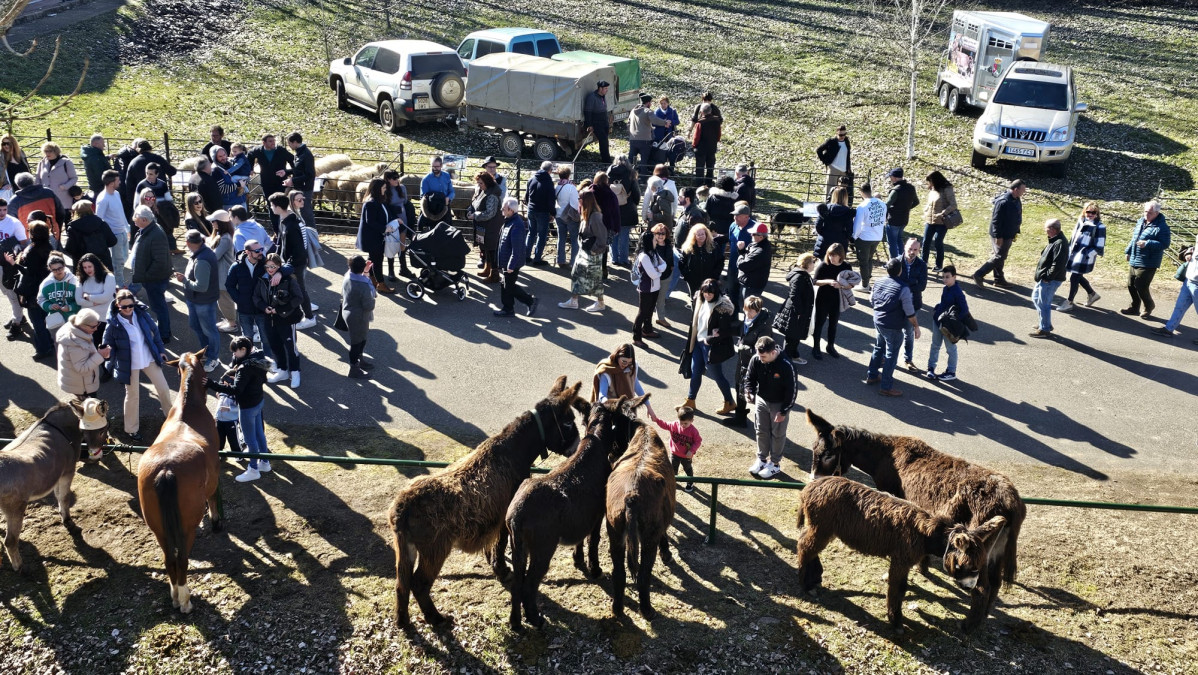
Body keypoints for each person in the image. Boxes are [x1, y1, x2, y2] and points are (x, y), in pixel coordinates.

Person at [102, 289, 171, 441]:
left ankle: (172, 419)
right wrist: (107, 354)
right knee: (132, 396)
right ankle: (131, 429)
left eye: (130, 306)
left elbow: (155, 333)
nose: (128, 309)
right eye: (124, 307)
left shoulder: (142, 315)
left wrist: (160, 351)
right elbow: (108, 345)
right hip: (129, 364)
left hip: (148, 358)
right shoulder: (113, 324)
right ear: (117, 306)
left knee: (164, 389)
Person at [204, 334, 272, 482]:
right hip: (258, 401)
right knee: (259, 434)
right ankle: (265, 462)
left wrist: (212, 384)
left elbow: (236, 390)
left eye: (235, 351)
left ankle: (253, 469)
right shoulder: (259, 358)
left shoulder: (244, 368)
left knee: (249, 439)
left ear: (243, 349)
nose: (233, 354)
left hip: (247, 407)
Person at [681, 278, 737, 414]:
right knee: (695, 372)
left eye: (710, 293)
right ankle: (690, 400)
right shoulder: (700, 300)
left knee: (717, 376)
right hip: (698, 343)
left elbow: (727, 331)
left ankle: (729, 402)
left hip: (711, 346)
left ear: (716, 293)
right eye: (705, 292)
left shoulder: (722, 308)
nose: (707, 295)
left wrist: (710, 339)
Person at [867, 258, 920, 397]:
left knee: (878, 347)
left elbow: (871, 300)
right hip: (893, 326)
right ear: (900, 271)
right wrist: (916, 326)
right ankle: (886, 386)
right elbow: (909, 311)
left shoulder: (878, 282)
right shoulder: (903, 288)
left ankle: (872, 375)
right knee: (891, 355)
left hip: (878, 321)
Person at [744, 336, 795, 479]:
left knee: (778, 434)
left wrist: (784, 410)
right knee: (761, 430)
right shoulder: (756, 359)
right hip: (762, 400)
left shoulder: (786, 365)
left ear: (773, 352)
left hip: (779, 404)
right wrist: (749, 391)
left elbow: (792, 390)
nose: (760, 359)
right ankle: (761, 459)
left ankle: (775, 464)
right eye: (759, 355)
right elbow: (750, 378)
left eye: (763, 356)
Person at [175, 230, 223, 371]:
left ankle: (213, 358)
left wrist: (184, 280)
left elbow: (201, 287)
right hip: (196, 300)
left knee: (209, 330)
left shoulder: (202, 259)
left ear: (188, 243)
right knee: (196, 326)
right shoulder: (200, 253)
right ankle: (206, 353)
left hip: (203, 301)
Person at [255, 252, 304, 388]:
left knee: (290, 347)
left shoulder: (288, 280)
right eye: (268, 266)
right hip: (269, 319)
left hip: (286, 319)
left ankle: (295, 372)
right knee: (275, 345)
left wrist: (281, 310)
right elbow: (256, 297)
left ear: (279, 266)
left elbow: (298, 298)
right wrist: (264, 307)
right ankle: (282, 370)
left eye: (273, 266)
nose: (270, 269)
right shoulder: (262, 279)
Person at [724, 294, 773, 429]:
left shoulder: (764, 328)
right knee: (740, 387)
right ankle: (740, 418)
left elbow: (763, 351)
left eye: (751, 311)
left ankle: (763, 424)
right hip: (743, 361)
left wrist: (742, 348)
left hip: (755, 365)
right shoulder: (748, 319)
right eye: (745, 310)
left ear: (758, 311)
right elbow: (740, 331)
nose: (747, 313)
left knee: (752, 393)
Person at [269, 192, 315, 329]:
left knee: (300, 291)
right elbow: (282, 245)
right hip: (291, 263)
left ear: (278, 207)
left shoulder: (291, 226)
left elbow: (298, 252)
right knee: (298, 290)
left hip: (295, 264)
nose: (271, 207)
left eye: (272, 205)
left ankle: (310, 317)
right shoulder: (286, 221)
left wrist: (283, 269)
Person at [8, 222, 54, 356]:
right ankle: (49, 343)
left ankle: (43, 349)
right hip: (47, 287)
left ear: (33, 234)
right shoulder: (49, 246)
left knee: (37, 321)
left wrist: (14, 263)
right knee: (44, 318)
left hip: (33, 290)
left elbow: (29, 272)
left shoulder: (32, 250)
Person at [129, 204, 174, 341]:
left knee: (159, 308)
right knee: (158, 307)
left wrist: (146, 276)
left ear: (143, 219)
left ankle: (164, 335)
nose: (133, 220)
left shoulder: (155, 233)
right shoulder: (149, 230)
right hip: (152, 279)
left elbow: (159, 261)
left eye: (135, 217)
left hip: (154, 280)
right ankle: (163, 332)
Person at [559, 190, 609, 312]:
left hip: (592, 253)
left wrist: (594, 251)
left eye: (579, 199)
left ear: (585, 201)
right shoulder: (586, 213)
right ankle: (574, 300)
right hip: (585, 251)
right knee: (576, 273)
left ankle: (600, 303)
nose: (578, 201)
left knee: (594, 279)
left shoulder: (596, 216)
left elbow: (602, 237)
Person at [226, 239, 274, 361]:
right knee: (247, 340)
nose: (261, 252)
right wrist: (239, 300)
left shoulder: (265, 264)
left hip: (261, 309)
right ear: (248, 252)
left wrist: (279, 274)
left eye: (261, 249)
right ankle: (247, 362)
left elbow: (283, 269)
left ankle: (268, 362)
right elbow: (229, 285)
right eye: (257, 250)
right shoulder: (236, 267)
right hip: (244, 310)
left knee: (266, 338)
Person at [972, 179, 1026, 288]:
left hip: (1008, 234)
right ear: (1016, 189)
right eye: (1023, 190)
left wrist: (1015, 232)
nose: (1024, 192)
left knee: (999, 257)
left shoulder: (1016, 199)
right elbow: (996, 220)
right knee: (999, 256)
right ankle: (979, 274)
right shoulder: (1003, 202)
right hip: (1002, 235)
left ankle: (999, 279)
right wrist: (998, 236)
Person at [1121, 200, 1170, 319]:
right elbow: (1134, 239)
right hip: (1135, 257)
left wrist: (1147, 243)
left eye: (1150, 213)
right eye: (1145, 212)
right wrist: (1128, 251)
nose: (1146, 215)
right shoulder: (1140, 222)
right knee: (1131, 284)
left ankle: (1149, 306)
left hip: (1149, 261)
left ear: (1157, 213)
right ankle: (1134, 307)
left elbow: (1165, 244)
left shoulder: (1162, 227)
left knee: (1140, 285)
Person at [494, 197, 538, 318]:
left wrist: (511, 265)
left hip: (511, 262)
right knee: (506, 284)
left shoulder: (516, 225)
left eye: (504, 207)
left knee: (509, 286)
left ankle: (525, 303)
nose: (502, 209)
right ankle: (509, 308)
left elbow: (517, 248)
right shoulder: (509, 221)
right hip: (507, 261)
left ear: (510, 210)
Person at [926, 265, 968, 382]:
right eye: (943, 277)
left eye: (947, 277)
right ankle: (931, 368)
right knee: (935, 345)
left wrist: (954, 322)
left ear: (954, 277)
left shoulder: (958, 292)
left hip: (948, 326)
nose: (945, 279)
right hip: (938, 321)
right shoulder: (946, 288)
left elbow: (964, 310)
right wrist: (938, 307)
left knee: (951, 348)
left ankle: (951, 371)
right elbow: (944, 302)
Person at [1060, 202, 1105, 312]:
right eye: (1088, 211)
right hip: (1073, 255)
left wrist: (1086, 254)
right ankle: (1092, 294)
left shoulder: (1100, 227)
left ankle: (1069, 301)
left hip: (1083, 258)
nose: (1090, 214)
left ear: (1097, 213)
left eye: (1093, 212)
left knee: (1074, 277)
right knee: (1077, 276)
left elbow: (1099, 247)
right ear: (1084, 211)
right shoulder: (1080, 222)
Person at [56, 308, 109, 400]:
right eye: (93, 327)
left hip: (80, 382)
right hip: (82, 387)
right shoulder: (75, 344)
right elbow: (82, 368)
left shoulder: (76, 330)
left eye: (98, 324)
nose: (96, 329)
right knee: (91, 412)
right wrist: (100, 355)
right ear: (82, 325)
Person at [247, 134, 294, 235]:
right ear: (264, 143)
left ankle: (284, 229)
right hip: (266, 182)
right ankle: (277, 231)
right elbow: (250, 155)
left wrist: (287, 171)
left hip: (280, 182)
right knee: (271, 205)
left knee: (281, 204)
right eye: (270, 141)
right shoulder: (258, 151)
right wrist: (250, 168)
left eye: (274, 141)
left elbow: (294, 161)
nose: (273, 143)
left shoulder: (280, 150)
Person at [774, 252, 816, 365]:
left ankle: (793, 356)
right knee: (792, 337)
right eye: (813, 262)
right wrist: (799, 312)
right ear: (806, 264)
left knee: (794, 336)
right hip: (796, 312)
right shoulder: (800, 276)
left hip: (797, 311)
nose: (814, 264)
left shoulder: (802, 274)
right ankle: (786, 362)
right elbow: (794, 295)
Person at [1029, 219, 1069, 338]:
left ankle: (1045, 329)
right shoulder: (1056, 240)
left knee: (1044, 303)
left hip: (1050, 280)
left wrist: (1048, 277)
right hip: (1046, 278)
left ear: (1052, 229)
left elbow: (1058, 264)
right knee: (1036, 298)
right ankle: (1045, 323)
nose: (1045, 230)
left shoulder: (1060, 243)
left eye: (1046, 228)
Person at [811, 243, 851, 359]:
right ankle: (816, 347)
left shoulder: (846, 266)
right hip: (823, 298)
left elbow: (851, 283)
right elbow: (814, 281)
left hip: (837, 299)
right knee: (819, 324)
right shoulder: (824, 265)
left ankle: (830, 346)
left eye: (834, 256)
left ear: (840, 256)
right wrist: (828, 281)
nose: (831, 258)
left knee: (833, 324)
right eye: (829, 255)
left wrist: (842, 286)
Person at [1153, 238, 1197, 340]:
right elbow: (1194, 249)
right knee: (1179, 307)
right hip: (1189, 279)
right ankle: (1169, 329)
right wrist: (1189, 253)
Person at [357, 177, 395, 294]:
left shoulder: (377, 201)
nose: (385, 190)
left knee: (373, 258)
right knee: (377, 260)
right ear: (378, 189)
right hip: (372, 237)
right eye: (383, 188)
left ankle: (371, 278)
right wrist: (385, 228)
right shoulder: (371, 203)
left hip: (375, 236)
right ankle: (381, 283)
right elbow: (371, 221)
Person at [341, 255, 377, 378]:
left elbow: (356, 272)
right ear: (361, 269)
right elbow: (368, 305)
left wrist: (364, 270)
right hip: (359, 316)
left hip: (348, 312)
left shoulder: (348, 276)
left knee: (361, 339)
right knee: (357, 343)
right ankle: (353, 368)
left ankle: (359, 360)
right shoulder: (364, 285)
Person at [650, 405, 700, 493]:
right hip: (674, 454)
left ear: (691, 421)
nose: (683, 425)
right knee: (673, 469)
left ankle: (690, 482)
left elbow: (698, 441)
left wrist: (692, 450)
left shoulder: (693, 431)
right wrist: (656, 420)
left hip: (686, 455)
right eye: (681, 422)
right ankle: (673, 481)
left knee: (688, 468)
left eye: (686, 423)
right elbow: (664, 425)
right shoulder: (674, 425)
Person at [93, 170, 131, 285]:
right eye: (117, 180)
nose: (120, 182)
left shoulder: (116, 194)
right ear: (111, 183)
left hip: (122, 232)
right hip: (114, 235)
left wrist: (127, 228)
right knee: (118, 262)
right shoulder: (103, 199)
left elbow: (121, 213)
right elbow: (99, 219)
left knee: (124, 258)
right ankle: (119, 285)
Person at [467, 171, 503, 284]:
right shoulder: (482, 190)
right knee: (486, 247)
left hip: (492, 226)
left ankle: (494, 274)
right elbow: (475, 203)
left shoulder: (492, 195)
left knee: (492, 248)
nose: (479, 185)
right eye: (478, 183)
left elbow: (490, 213)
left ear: (487, 182)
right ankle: (488, 269)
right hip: (484, 225)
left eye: (481, 183)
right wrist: (470, 210)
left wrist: (475, 215)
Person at [632, 229, 667, 348]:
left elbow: (664, 264)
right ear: (648, 241)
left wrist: (657, 269)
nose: (656, 240)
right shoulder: (644, 256)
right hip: (646, 289)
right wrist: (658, 270)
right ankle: (636, 337)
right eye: (654, 239)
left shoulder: (653, 252)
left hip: (655, 287)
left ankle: (647, 330)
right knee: (642, 313)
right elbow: (653, 274)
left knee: (650, 310)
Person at [123, 140, 176, 217]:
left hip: (144, 202)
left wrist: (132, 202)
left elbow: (129, 184)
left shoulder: (133, 162)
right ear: (150, 148)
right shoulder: (158, 159)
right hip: (160, 202)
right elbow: (172, 171)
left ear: (138, 149)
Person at [134, 163, 180, 252]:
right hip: (147, 213)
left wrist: (165, 208)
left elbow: (169, 199)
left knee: (168, 230)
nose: (148, 176)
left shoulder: (162, 184)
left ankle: (172, 248)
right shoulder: (141, 185)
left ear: (157, 174)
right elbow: (136, 203)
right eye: (147, 173)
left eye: (151, 174)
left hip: (161, 212)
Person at [0, 199, 29, 336]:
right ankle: (18, 316)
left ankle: (17, 321)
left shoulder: (13, 223)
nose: (2, 213)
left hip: (8, 264)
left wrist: (16, 250)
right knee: (6, 291)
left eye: (4, 209)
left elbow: (23, 242)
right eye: (0, 210)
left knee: (12, 293)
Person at [207, 211, 240, 331]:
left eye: (213, 221)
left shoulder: (225, 238)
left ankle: (232, 324)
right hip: (222, 273)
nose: (212, 223)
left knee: (225, 300)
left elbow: (215, 256)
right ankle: (229, 320)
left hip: (223, 274)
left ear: (220, 222)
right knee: (224, 299)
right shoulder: (224, 235)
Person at [898, 238, 928, 370]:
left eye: (915, 249)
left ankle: (908, 359)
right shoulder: (896, 262)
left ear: (919, 250)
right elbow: (892, 282)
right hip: (897, 304)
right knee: (892, 331)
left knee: (908, 333)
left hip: (913, 304)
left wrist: (904, 286)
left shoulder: (922, 265)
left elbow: (922, 286)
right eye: (910, 249)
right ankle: (884, 357)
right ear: (905, 247)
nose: (912, 252)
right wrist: (911, 284)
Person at [73, 253, 116, 346]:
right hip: (87, 321)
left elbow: (106, 297)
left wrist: (88, 297)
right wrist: (94, 303)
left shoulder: (108, 277)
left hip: (104, 319)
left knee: (103, 348)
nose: (87, 270)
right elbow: (78, 300)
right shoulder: (81, 278)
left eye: (89, 266)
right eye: (84, 267)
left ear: (96, 265)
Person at [63, 201, 116, 272]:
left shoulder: (73, 228)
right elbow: (112, 241)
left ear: (76, 212)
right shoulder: (102, 223)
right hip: (103, 263)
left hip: (83, 266)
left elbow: (70, 248)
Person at [852, 183, 886, 290]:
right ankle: (867, 282)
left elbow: (857, 224)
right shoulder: (882, 203)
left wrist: (854, 236)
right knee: (869, 259)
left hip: (865, 236)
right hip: (877, 235)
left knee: (863, 261)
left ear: (861, 192)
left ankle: (865, 285)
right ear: (870, 190)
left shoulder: (862, 206)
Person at [628, 93, 671, 177]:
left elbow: (628, 124)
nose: (651, 104)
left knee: (631, 159)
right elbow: (655, 120)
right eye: (650, 102)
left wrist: (631, 134)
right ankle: (643, 177)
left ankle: (628, 175)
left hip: (633, 139)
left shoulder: (633, 111)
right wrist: (665, 122)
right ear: (647, 103)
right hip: (645, 141)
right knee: (644, 160)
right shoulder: (648, 111)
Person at [921, 170, 957, 272]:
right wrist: (926, 212)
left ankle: (939, 265)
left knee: (938, 242)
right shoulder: (932, 189)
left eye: (930, 181)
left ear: (935, 180)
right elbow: (930, 204)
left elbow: (953, 205)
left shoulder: (947, 189)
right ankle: (923, 263)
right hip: (929, 220)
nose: (929, 184)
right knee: (925, 242)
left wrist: (943, 213)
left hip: (942, 221)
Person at [38, 252, 79, 338]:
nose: (58, 271)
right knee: (59, 346)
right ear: (50, 269)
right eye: (54, 270)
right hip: (55, 320)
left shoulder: (75, 281)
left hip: (73, 319)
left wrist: (70, 307)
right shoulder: (46, 283)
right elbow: (40, 299)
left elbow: (81, 301)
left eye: (60, 268)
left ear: (64, 266)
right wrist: (50, 306)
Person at [678, 223, 724, 302]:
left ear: (706, 234)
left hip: (709, 281)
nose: (701, 236)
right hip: (693, 281)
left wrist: (715, 277)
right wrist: (687, 276)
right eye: (698, 234)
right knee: (695, 301)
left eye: (702, 234)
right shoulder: (688, 247)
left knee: (708, 302)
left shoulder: (714, 246)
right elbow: (682, 263)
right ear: (694, 236)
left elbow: (720, 262)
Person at [607, 156, 640, 267]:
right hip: (627, 209)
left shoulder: (609, 174)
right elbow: (636, 193)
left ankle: (614, 258)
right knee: (625, 236)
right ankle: (624, 259)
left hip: (612, 208)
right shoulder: (631, 174)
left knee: (613, 234)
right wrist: (634, 203)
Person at [35, 142, 79, 221]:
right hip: (47, 198)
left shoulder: (66, 162)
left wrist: (65, 186)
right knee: (52, 224)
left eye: (50, 151)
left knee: (67, 222)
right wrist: (39, 190)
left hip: (64, 198)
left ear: (56, 151)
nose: (47, 153)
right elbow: (37, 178)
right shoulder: (41, 163)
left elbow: (74, 178)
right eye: (45, 151)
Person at [8, 172, 61, 237]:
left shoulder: (14, 201)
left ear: (18, 185)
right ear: (33, 181)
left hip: (28, 236)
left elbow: (11, 223)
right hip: (52, 232)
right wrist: (57, 228)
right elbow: (61, 212)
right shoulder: (48, 193)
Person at [524, 161, 556, 266]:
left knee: (531, 233)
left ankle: (526, 256)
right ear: (550, 170)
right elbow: (551, 200)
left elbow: (526, 197)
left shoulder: (531, 179)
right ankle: (537, 259)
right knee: (542, 235)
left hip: (531, 210)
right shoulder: (549, 182)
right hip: (542, 211)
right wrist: (553, 213)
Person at [725, 203, 756, 309]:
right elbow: (730, 241)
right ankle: (733, 316)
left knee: (746, 296)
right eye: (734, 215)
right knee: (732, 291)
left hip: (747, 269)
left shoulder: (755, 229)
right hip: (733, 265)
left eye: (738, 215)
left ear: (747, 217)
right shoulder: (733, 226)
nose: (735, 217)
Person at [884, 168, 919, 260]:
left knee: (892, 242)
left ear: (895, 178)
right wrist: (907, 208)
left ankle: (894, 261)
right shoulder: (911, 188)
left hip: (893, 220)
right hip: (904, 219)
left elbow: (887, 205)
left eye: (891, 177)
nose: (890, 179)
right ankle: (903, 259)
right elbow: (916, 202)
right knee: (899, 239)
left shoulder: (895, 190)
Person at [591, 172, 621, 279]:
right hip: (606, 225)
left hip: (593, 224)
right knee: (603, 248)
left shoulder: (591, 192)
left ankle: (593, 270)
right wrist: (617, 227)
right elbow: (616, 212)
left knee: (592, 247)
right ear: (606, 181)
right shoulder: (611, 194)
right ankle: (603, 270)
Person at [282, 132, 316, 227]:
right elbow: (299, 170)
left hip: (305, 188)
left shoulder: (306, 155)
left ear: (295, 142)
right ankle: (307, 235)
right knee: (301, 212)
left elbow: (310, 174)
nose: (289, 146)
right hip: (300, 187)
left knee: (306, 212)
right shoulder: (300, 153)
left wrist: (293, 180)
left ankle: (311, 236)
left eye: (289, 143)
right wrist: (286, 172)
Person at [814, 186, 854, 261]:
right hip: (840, 243)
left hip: (825, 241)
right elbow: (850, 229)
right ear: (846, 197)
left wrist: (823, 233)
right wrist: (844, 237)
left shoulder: (825, 209)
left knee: (823, 266)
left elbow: (818, 225)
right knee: (837, 265)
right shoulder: (848, 212)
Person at [737, 222, 772, 303]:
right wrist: (742, 250)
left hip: (752, 285)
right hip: (751, 282)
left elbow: (742, 265)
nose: (751, 235)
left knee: (749, 308)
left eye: (753, 234)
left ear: (760, 236)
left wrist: (741, 254)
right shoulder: (757, 244)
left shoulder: (760, 251)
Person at [554, 165, 580, 269]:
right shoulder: (571, 187)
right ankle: (574, 262)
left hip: (559, 214)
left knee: (561, 238)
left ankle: (560, 259)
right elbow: (575, 203)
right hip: (569, 216)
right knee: (574, 240)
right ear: (569, 175)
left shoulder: (557, 186)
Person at [816, 125, 851, 200]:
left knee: (842, 191)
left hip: (844, 170)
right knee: (830, 189)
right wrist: (825, 161)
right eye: (841, 135)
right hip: (833, 168)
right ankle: (827, 206)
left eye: (844, 134)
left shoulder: (847, 141)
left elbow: (847, 156)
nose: (843, 136)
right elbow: (819, 150)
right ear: (836, 133)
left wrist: (848, 168)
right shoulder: (832, 142)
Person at [691, 102, 721, 187]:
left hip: (701, 148)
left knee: (700, 167)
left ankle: (699, 184)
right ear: (710, 111)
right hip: (712, 147)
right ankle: (709, 182)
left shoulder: (700, 123)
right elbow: (718, 134)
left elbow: (696, 137)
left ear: (702, 112)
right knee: (710, 166)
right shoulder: (716, 120)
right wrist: (715, 141)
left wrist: (694, 145)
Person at [583, 80, 613, 163]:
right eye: (605, 88)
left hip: (604, 122)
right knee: (603, 141)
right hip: (597, 122)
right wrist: (589, 125)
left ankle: (606, 156)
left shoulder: (603, 96)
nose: (607, 90)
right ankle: (606, 160)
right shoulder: (592, 97)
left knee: (605, 140)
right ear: (600, 88)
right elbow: (587, 111)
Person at [653, 97, 681, 171]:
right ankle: (660, 168)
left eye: (664, 103)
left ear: (668, 103)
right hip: (659, 136)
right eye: (661, 103)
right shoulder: (657, 112)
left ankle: (671, 168)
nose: (663, 105)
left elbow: (677, 121)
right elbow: (653, 123)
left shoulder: (672, 111)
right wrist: (663, 123)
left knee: (671, 151)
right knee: (660, 152)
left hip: (669, 135)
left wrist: (670, 122)